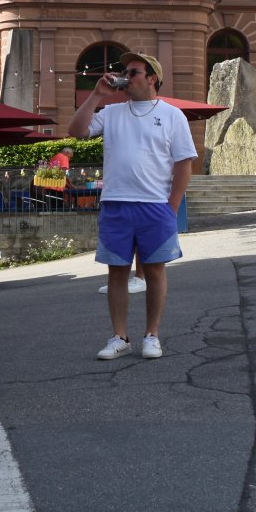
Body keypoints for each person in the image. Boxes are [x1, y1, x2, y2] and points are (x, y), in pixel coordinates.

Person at [68, 52, 197, 360]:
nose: (126, 77)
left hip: (155, 205)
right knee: (117, 273)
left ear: (152, 78)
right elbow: (76, 131)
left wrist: (171, 207)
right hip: (116, 204)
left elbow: (184, 164)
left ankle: (152, 335)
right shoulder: (112, 112)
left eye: (134, 72)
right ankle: (119, 337)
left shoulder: (172, 115)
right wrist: (97, 95)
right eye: (124, 71)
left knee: (154, 272)